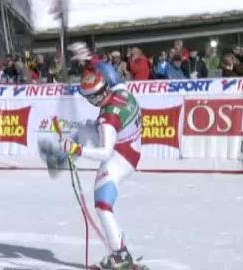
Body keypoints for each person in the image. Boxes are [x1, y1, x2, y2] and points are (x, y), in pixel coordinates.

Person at [60, 42, 146, 270]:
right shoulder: (121, 91)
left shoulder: (107, 119)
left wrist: (76, 150)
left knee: (102, 205)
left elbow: (104, 152)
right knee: (103, 204)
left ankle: (120, 255)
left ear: (92, 98)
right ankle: (120, 251)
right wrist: (90, 59)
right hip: (131, 149)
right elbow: (110, 71)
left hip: (120, 157)